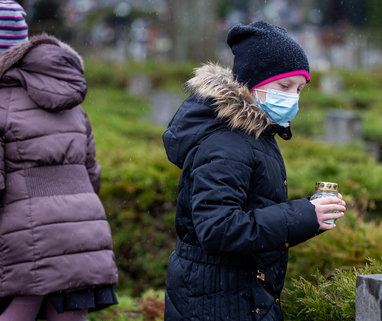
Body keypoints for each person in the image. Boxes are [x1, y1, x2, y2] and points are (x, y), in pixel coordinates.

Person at [163, 20, 346, 321]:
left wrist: (310, 217)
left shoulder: (254, 136)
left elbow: (252, 213)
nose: (293, 97)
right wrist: (302, 215)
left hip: (238, 295)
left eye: (300, 88)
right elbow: (218, 228)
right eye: (284, 86)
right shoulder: (225, 143)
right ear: (250, 84)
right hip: (215, 303)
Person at [0, 1, 118, 320]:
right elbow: (92, 173)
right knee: (70, 312)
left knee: (20, 308)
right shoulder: (69, 100)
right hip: (83, 230)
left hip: (24, 235)